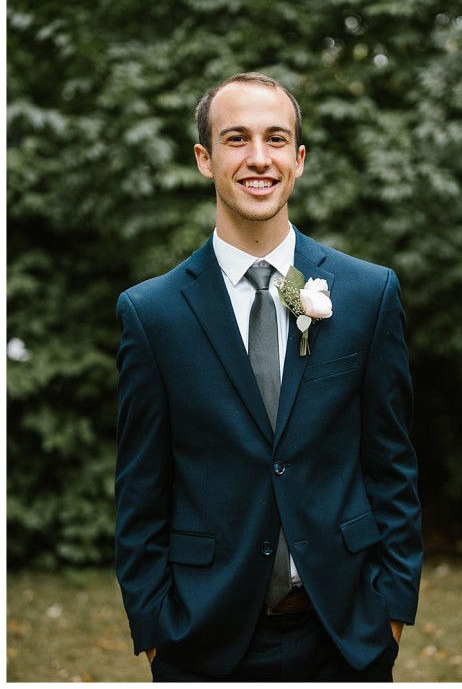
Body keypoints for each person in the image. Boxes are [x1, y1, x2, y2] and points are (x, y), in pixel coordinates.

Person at [114, 72, 422, 681]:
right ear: (205, 158)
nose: (259, 159)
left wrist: (390, 610)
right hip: (205, 638)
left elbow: (392, 465)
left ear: (299, 159)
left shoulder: (368, 294)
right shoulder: (152, 315)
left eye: (276, 139)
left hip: (345, 631)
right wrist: (157, 635)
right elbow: (140, 492)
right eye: (237, 139)